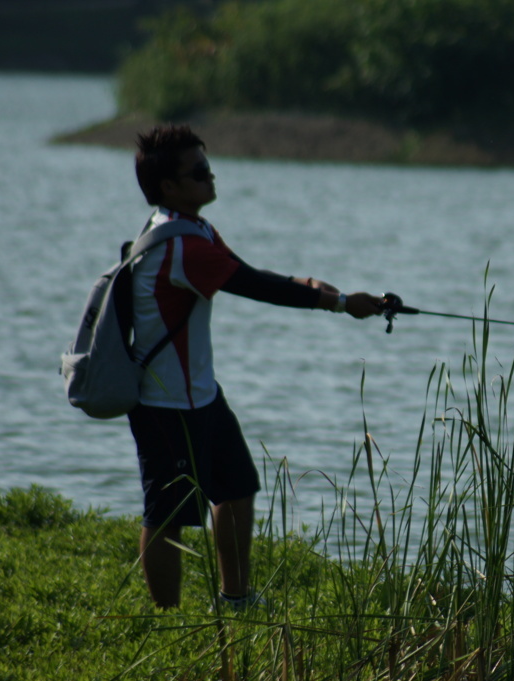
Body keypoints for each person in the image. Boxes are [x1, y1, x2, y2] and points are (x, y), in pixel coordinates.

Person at [129, 124, 383, 609]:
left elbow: (243, 270)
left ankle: (237, 597)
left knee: (238, 486)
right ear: (169, 187)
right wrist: (340, 303)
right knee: (167, 515)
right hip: (165, 401)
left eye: (208, 165)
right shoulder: (180, 245)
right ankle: (167, 618)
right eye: (198, 171)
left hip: (199, 393)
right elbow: (253, 286)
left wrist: (317, 286)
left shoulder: (191, 228)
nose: (210, 176)